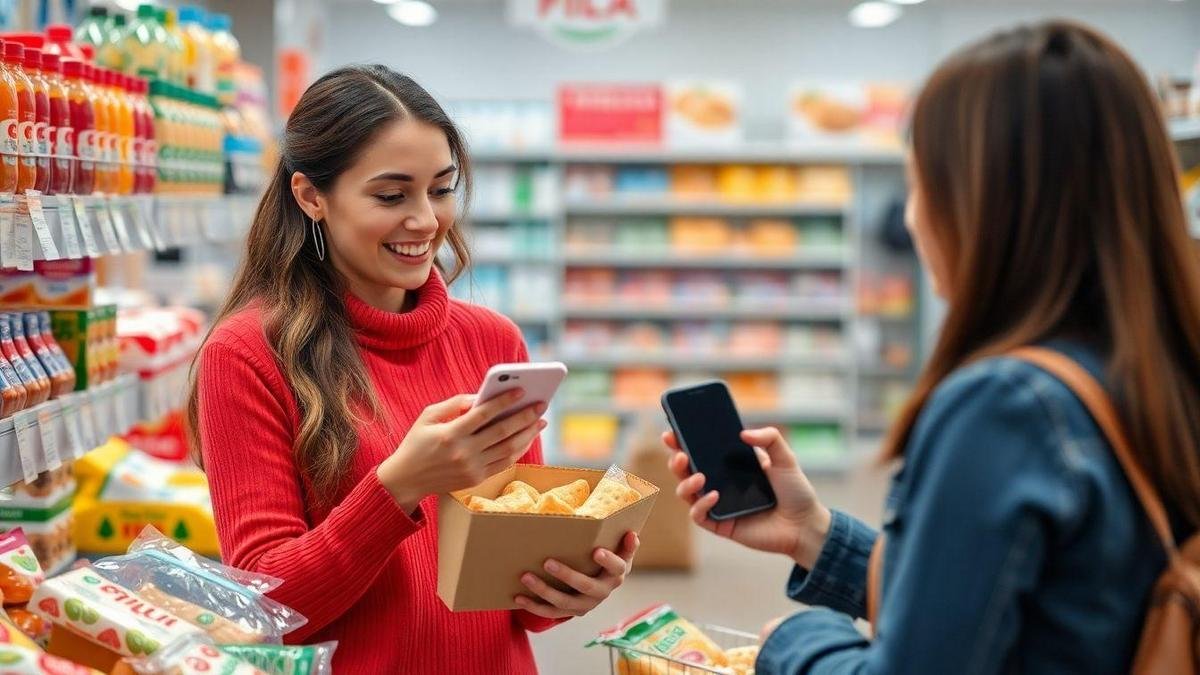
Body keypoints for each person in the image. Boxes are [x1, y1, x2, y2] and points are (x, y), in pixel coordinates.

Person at [666, 21, 1200, 674]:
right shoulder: (1162, 370)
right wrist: (814, 534)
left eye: (920, 184)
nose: (913, 218)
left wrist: (791, 644)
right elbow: (1038, 607)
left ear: (984, 205)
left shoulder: (1003, 406)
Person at [187, 65, 637, 673]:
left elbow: (519, 605)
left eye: (441, 188)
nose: (426, 220)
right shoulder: (247, 355)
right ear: (310, 196)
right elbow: (261, 603)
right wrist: (399, 485)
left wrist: (569, 583)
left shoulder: (491, 341)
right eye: (391, 195)